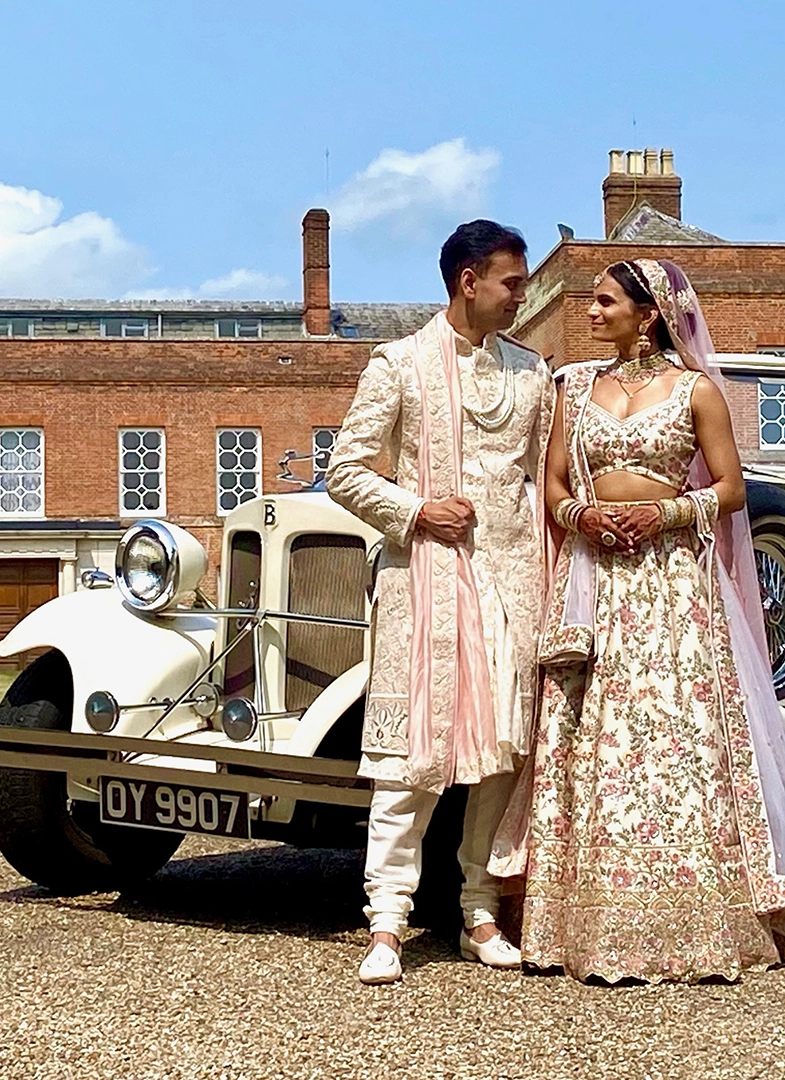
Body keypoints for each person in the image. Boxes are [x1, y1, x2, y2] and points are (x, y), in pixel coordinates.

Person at [493, 257, 785, 983]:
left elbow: (731, 489)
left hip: (672, 583)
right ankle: (586, 923)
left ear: (648, 313)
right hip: (595, 578)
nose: (593, 313)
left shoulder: (696, 390)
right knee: (594, 735)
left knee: (677, 733)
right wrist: (585, 516)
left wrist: (662, 514)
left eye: (606, 302)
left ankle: (701, 919)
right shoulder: (573, 386)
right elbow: (552, 482)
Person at [325, 220, 554, 986]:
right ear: (469, 281)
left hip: (515, 579)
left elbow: (548, 479)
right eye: (513, 282)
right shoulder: (398, 365)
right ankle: (387, 921)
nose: (523, 294)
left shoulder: (532, 373)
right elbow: (346, 472)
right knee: (412, 759)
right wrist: (418, 510)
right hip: (426, 577)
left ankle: (479, 908)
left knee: (503, 754)